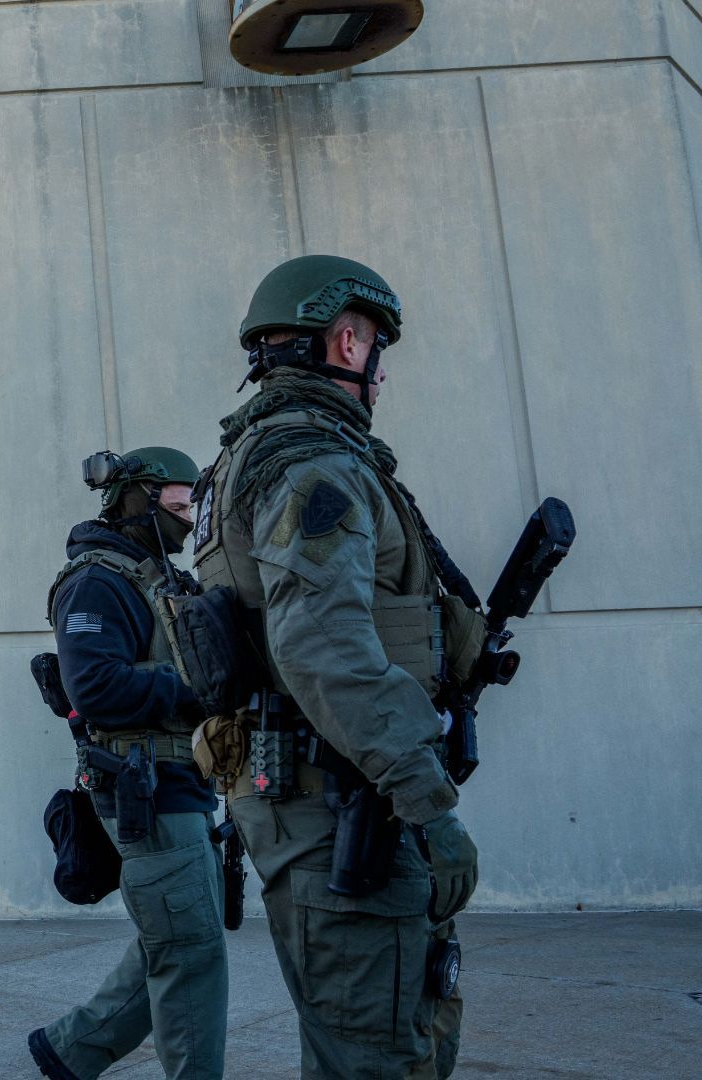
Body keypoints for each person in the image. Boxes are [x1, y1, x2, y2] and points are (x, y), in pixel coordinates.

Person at [187, 255, 477, 1077]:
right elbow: (322, 649)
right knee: (381, 1059)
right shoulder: (314, 467)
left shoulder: (249, 461)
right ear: (349, 342)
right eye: (379, 349)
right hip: (343, 811)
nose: (382, 378)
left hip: (313, 803)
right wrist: (428, 802)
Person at [29, 448, 228, 1080]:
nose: (188, 514)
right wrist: (196, 684)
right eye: (178, 501)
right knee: (190, 951)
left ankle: (71, 1050)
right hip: (146, 790)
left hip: (180, 783)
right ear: (139, 498)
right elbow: (93, 686)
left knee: (173, 938)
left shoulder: (160, 576)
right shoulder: (97, 580)